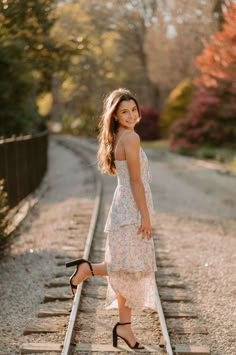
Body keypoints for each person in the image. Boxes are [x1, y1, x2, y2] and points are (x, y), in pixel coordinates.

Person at [66, 88, 157, 350]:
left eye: (133, 110)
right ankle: (88, 269)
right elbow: (137, 181)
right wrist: (146, 217)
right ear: (115, 116)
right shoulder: (131, 138)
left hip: (123, 206)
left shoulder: (117, 136)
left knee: (128, 268)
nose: (131, 115)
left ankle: (125, 328)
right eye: (124, 112)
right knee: (130, 267)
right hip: (131, 210)